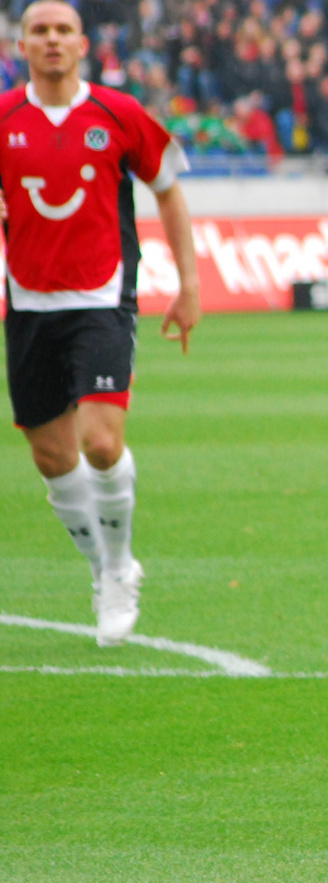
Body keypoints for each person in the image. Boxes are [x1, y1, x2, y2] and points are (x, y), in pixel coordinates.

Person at [2, 0, 200, 646]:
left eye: (63, 30)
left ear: (83, 44)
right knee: (51, 455)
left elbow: (168, 187)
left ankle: (118, 568)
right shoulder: (4, 120)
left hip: (102, 299)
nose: (52, 40)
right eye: (40, 31)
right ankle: (101, 567)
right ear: (22, 44)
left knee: (101, 443)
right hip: (28, 305)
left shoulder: (118, 114)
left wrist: (188, 284)